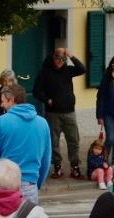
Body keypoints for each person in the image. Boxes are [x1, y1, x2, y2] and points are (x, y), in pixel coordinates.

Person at [0, 82, 51, 201]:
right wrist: (37, 182)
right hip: (30, 185)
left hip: (5, 183)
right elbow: (46, 159)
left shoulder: (1, 122)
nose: (1, 105)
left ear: (12, 100)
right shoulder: (43, 123)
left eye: (3, 101)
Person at [33, 47, 85, 178]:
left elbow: (82, 69)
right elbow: (36, 91)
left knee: (73, 140)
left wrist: (71, 56)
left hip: (69, 112)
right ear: (52, 57)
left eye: (63, 58)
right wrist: (47, 100)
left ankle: (75, 167)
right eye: (57, 57)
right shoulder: (45, 72)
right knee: (53, 141)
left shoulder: (68, 70)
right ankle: (57, 167)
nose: (60, 60)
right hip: (53, 113)